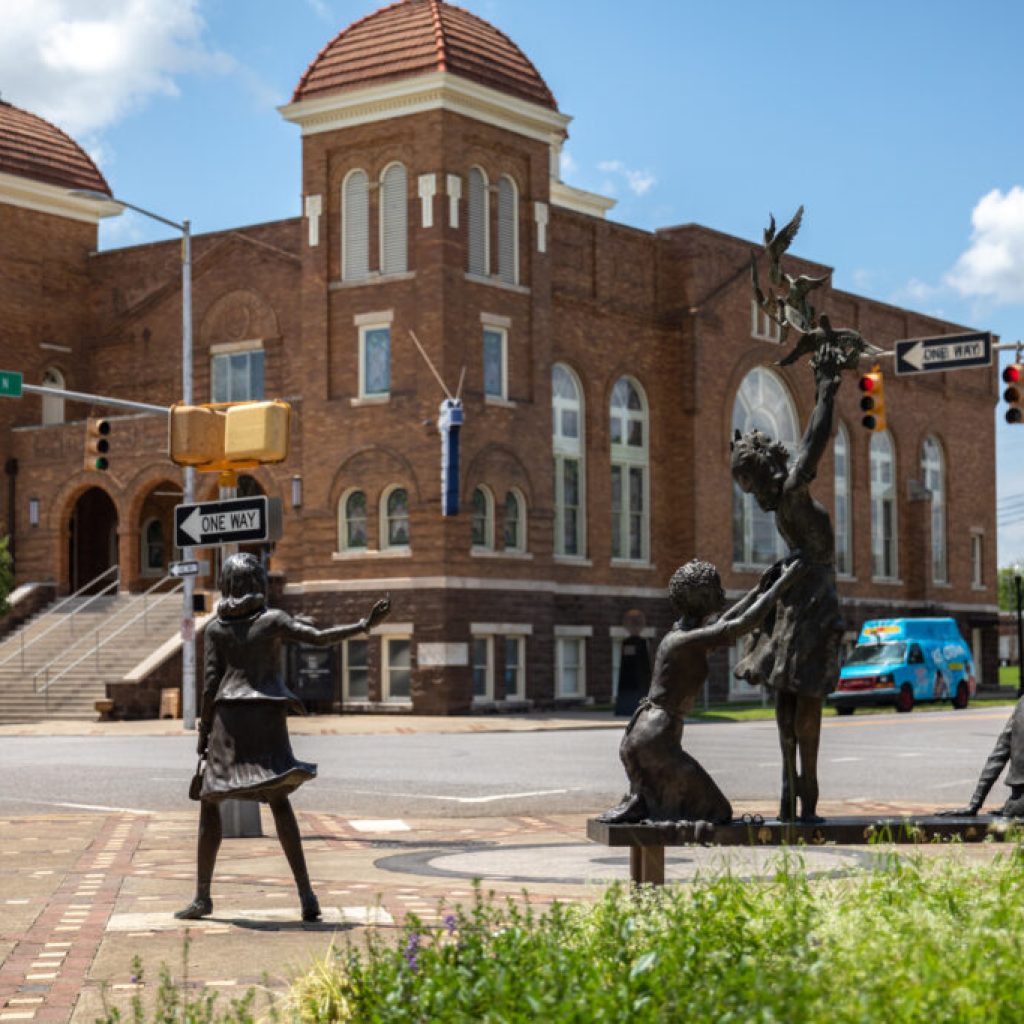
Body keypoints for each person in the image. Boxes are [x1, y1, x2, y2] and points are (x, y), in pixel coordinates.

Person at [175, 553, 390, 922]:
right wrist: (363, 625)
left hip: (229, 718)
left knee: (211, 802)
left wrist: (204, 730)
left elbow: (211, 685)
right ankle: (307, 895)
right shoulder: (272, 620)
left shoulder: (215, 628)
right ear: (256, 583)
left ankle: (203, 896)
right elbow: (318, 638)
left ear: (227, 584)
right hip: (266, 715)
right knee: (278, 799)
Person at [730, 346, 846, 822]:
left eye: (753, 486)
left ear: (767, 474)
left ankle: (808, 794)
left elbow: (816, 436)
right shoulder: (781, 506)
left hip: (815, 605)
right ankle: (786, 791)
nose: (753, 497)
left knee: (805, 701)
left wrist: (825, 389)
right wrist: (776, 575)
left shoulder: (794, 487)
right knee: (783, 698)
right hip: (795, 601)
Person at [599, 557, 802, 825]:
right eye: (717, 589)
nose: (723, 594)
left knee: (673, 807)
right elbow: (740, 625)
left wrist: (759, 590)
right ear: (702, 597)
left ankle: (642, 803)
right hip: (654, 740)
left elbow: (728, 621)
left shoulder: (684, 634)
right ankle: (646, 807)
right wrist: (783, 586)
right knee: (716, 812)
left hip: (644, 736)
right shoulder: (684, 641)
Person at [940, 696, 1024, 818]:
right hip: (1018, 797)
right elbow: (999, 753)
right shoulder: (1022, 705)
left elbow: (999, 754)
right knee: (1009, 812)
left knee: (1011, 812)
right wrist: (974, 804)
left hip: (1018, 801)